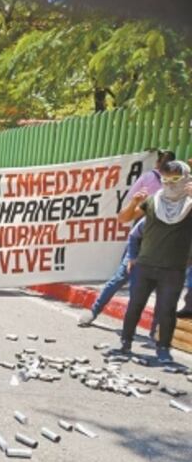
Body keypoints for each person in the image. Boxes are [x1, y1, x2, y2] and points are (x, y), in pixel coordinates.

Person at [79, 150, 176, 326]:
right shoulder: (155, 200)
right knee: (126, 280)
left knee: (147, 286)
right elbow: (127, 220)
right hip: (145, 243)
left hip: (158, 249)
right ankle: (95, 311)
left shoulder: (178, 201)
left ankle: (154, 332)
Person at [117, 160, 192, 363]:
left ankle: (163, 348)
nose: (169, 184)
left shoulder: (189, 205)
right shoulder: (152, 201)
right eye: (166, 179)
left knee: (167, 311)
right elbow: (123, 219)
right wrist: (133, 202)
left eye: (175, 179)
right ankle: (125, 342)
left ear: (185, 179)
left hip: (173, 269)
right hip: (145, 265)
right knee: (135, 306)